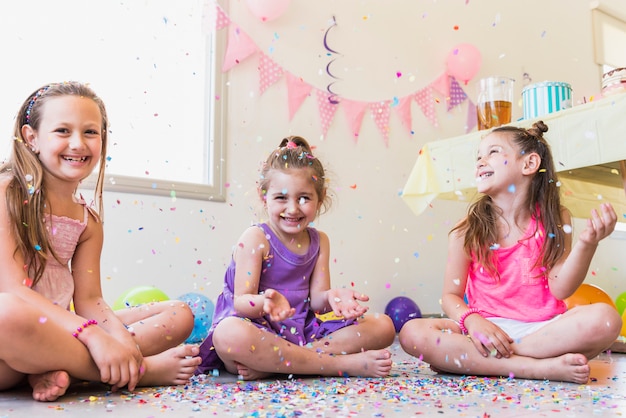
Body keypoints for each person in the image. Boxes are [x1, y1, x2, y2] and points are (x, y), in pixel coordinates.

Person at [0, 82, 201, 402]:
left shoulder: (87, 220)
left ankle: (62, 364)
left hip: (63, 329)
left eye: (90, 132)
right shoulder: (6, 193)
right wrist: (92, 335)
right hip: (11, 342)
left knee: (180, 313)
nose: (78, 143)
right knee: (5, 313)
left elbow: (90, 300)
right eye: (63, 130)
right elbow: (13, 290)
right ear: (31, 137)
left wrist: (117, 339)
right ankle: (139, 371)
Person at [399, 121, 622, 384]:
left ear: (528, 164)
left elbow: (560, 289)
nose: (481, 161)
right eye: (479, 156)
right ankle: (537, 368)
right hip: (485, 329)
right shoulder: (466, 230)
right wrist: (473, 322)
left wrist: (588, 244)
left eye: (492, 152)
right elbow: (450, 296)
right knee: (412, 332)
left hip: (541, 332)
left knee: (607, 319)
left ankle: (498, 359)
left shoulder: (555, 218)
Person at [197, 136, 396, 379]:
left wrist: (334, 297)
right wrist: (265, 304)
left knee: (383, 326)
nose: (292, 209)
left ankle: (280, 363)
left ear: (319, 199)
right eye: (281, 198)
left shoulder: (319, 241)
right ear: (264, 197)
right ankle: (339, 365)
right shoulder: (256, 238)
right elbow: (240, 303)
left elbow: (317, 303)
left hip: (301, 333)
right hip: (258, 330)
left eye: (304, 198)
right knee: (229, 334)